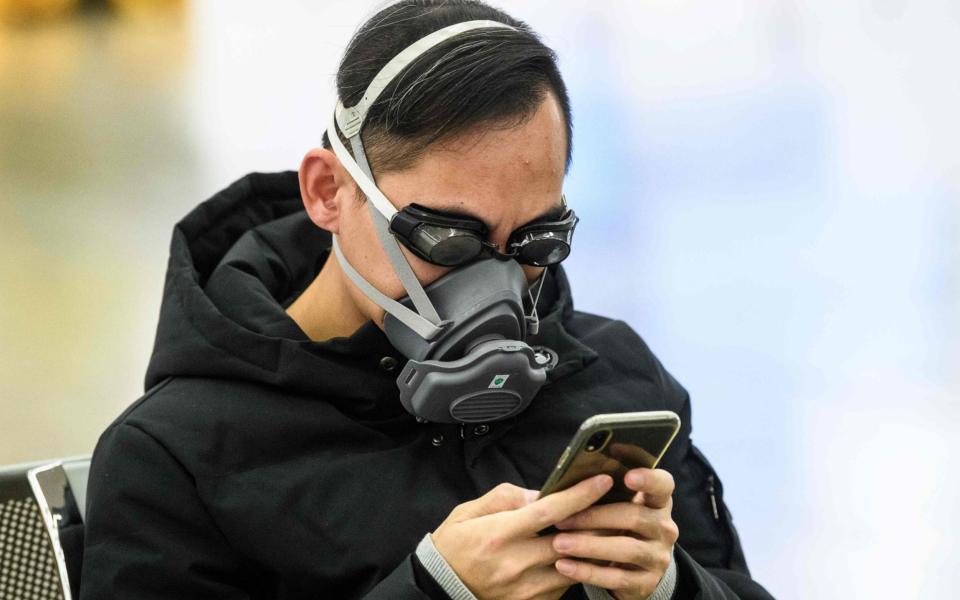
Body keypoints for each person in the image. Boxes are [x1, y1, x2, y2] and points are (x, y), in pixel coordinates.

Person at [79, 2, 774, 599]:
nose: (497, 282)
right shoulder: (177, 457)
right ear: (329, 192)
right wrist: (434, 590)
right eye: (446, 236)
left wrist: (671, 585)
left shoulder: (616, 382)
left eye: (537, 238)